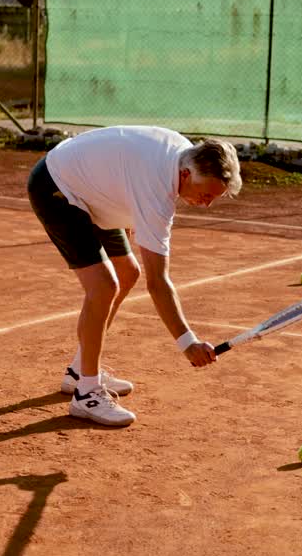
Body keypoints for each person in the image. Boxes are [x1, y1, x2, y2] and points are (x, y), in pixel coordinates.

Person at [27, 125, 243, 426]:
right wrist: (187, 343)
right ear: (185, 175)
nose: (206, 204)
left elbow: (124, 161)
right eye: (205, 194)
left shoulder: (183, 155)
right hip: (58, 187)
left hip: (94, 191)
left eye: (214, 199)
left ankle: (79, 370)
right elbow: (159, 283)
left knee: (128, 273)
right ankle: (86, 394)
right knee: (103, 286)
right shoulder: (157, 193)